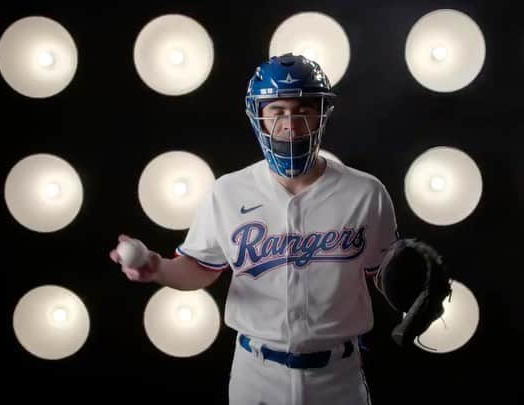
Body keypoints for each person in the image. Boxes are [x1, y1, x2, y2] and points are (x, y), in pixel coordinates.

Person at [110, 53, 398, 405]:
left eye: (304, 110)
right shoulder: (228, 191)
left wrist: (411, 283)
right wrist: (157, 267)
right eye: (277, 112)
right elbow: (201, 268)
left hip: (338, 377)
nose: (290, 126)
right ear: (258, 115)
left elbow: (385, 273)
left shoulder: (366, 192)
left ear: (322, 113)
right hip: (256, 376)